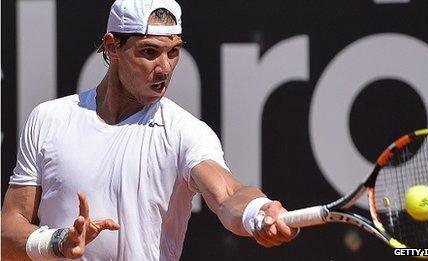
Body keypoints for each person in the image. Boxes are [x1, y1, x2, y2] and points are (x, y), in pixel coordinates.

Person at [1, 0, 298, 260]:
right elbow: (7, 233)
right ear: (112, 46)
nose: (165, 68)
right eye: (150, 52)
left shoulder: (186, 133)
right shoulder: (48, 119)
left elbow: (229, 194)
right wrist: (58, 242)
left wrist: (257, 212)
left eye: (173, 52)